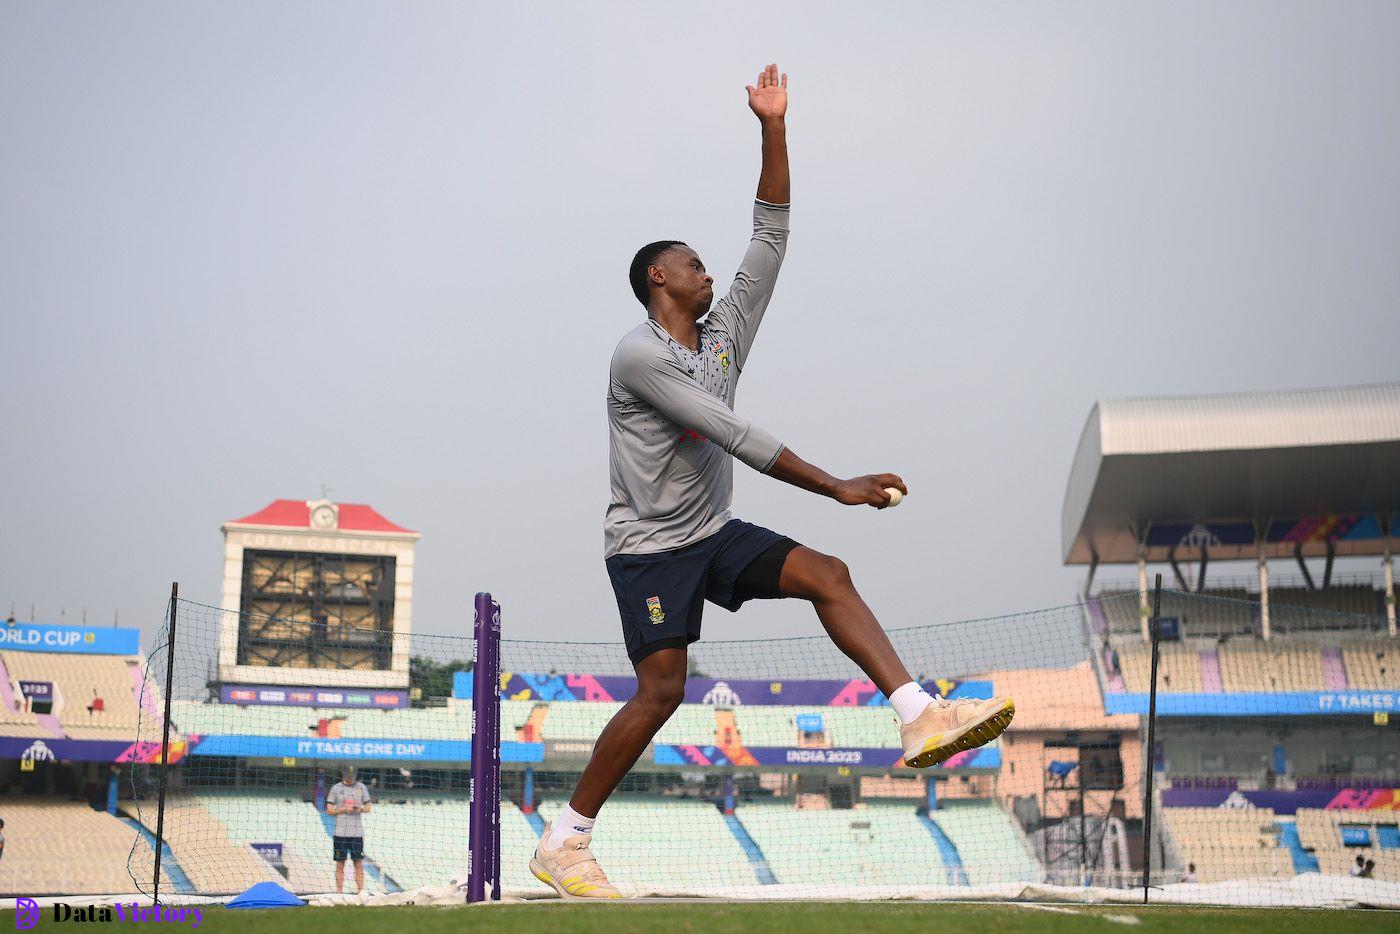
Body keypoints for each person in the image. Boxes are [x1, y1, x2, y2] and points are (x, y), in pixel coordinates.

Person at [528, 63, 1016, 900]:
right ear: (658, 279)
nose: (706, 268)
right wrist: (838, 485)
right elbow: (735, 434)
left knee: (829, 574)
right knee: (663, 691)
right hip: (648, 548)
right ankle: (565, 841)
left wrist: (774, 126)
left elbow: (771, 232)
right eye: (691, 261)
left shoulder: (721, 337)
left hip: (711, 530)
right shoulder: (639, 354)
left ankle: (918, 715)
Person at [325, 765, 372, 895]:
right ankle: (339, 893)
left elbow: (368, 807)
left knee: (359, 863)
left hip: (357, 833)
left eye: (352, 776)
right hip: (340, 833)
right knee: (340, 863)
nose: (350, 778)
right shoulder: (336, 788)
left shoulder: (361, 788)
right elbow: (329, 810)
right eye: (348, 776)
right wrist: (344, 809)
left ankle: (361, 892)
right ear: (344, 775)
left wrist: (359, 808)